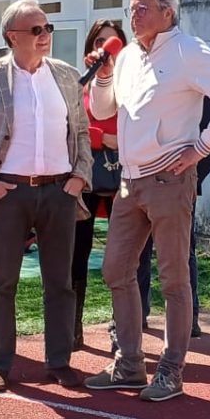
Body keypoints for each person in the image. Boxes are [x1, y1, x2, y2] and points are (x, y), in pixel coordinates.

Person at [85, 0, 210, 402]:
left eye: (142, 8)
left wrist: (201, 147)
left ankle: (171, 370)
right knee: (115, 270)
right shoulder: (127, 56)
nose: (133, 14)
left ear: (167, 13)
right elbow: (102, 109)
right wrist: (103, 76)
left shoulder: (187, 50)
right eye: (131, 8)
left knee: (173, 278)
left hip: (170, 180)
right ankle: (129, 364)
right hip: (130, 180)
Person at [0, 0, 93, 393]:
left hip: (59, 192)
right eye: (36, 29)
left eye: (48, 27)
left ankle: (59, 361)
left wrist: (79, 177)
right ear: (12, 36)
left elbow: (82, 133)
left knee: (60, 283)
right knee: (2, 282)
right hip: (8, 193)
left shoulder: (66, 75)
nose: (45, 34)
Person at [70, 18, 146, 350]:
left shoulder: (135, 81)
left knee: (127, 258)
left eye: (112, 42)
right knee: (77, 253)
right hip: (86, 177)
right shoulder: (80, 82)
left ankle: (123, 329)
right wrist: (102, 137)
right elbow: (73, 128)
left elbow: (139, 126)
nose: (105, 48)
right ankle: (72, 327)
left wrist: (113, 138)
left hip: (124, 179)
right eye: (99, 41)